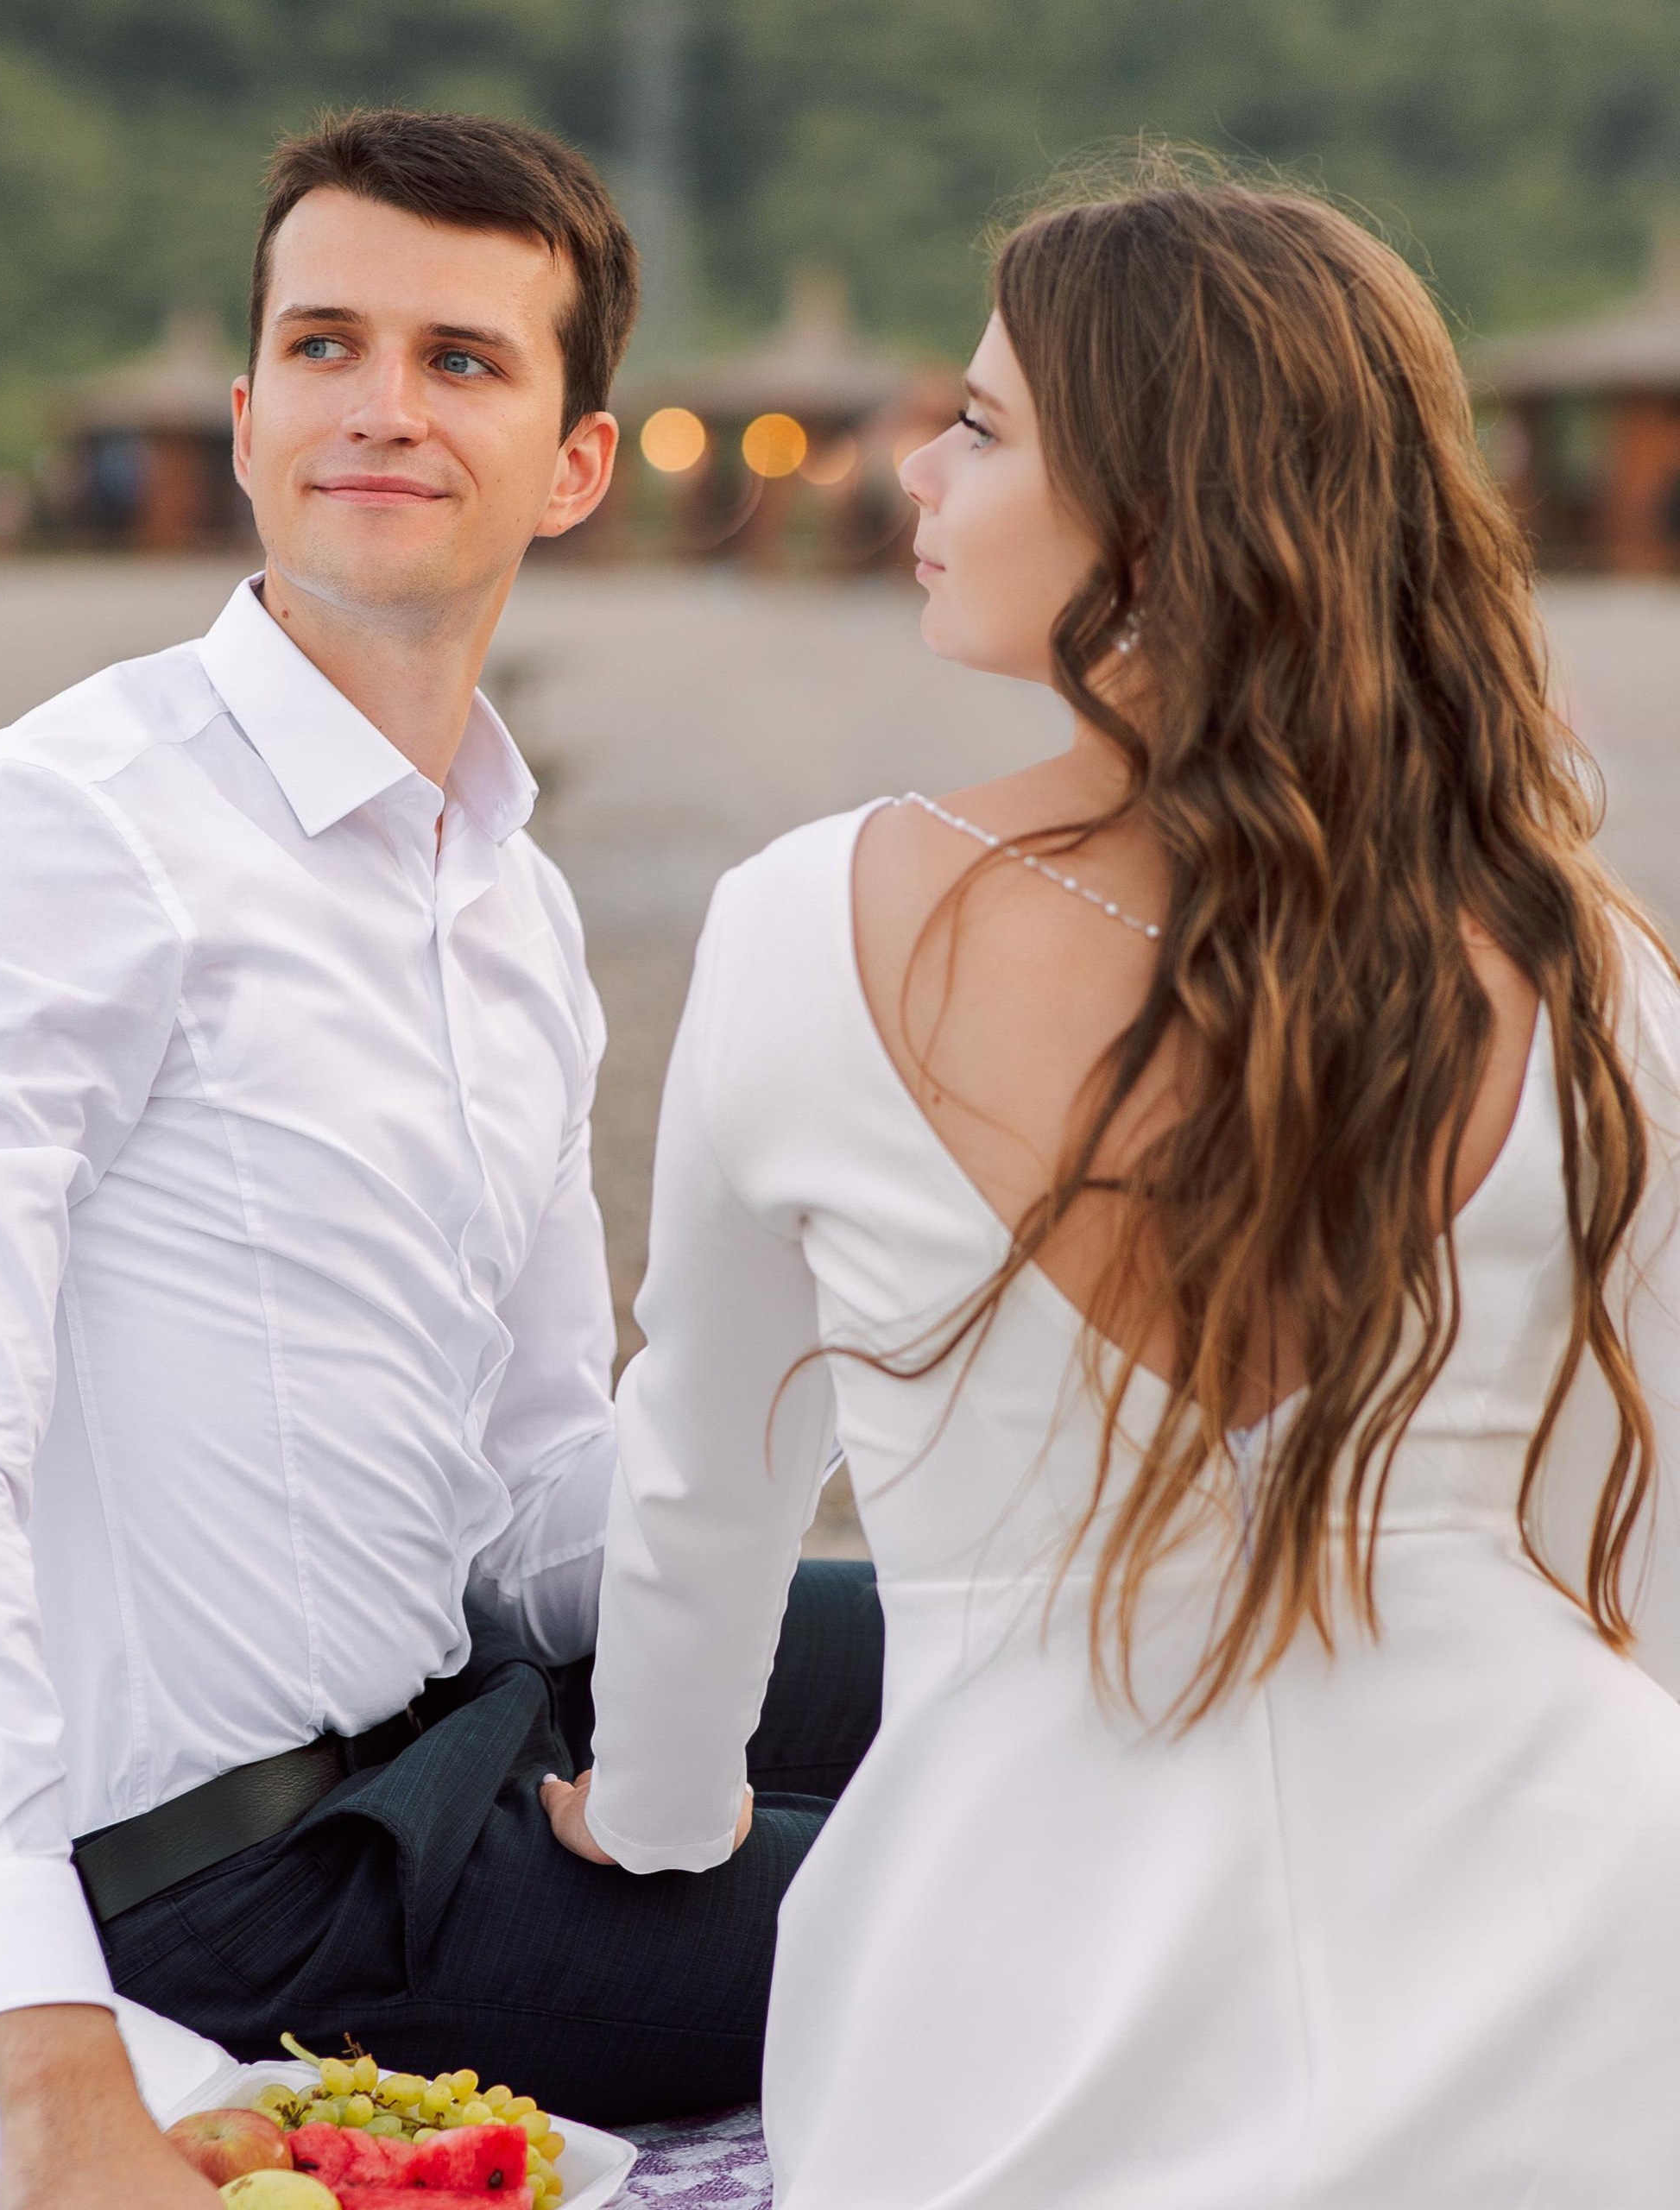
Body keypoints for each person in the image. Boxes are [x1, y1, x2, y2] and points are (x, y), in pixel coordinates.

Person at [543, 155, 1680, 2207]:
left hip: (1005, 1997)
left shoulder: (808, 923)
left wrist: (656, 1808)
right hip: (1578, 1945)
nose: (913, 468)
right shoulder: (1583, 967)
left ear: (1154, 516)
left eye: (978, 427)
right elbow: (1651, 1519)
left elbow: (703, 1474)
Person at [0, 107, 883, 2210]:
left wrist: (834, 1362)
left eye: (459, 359)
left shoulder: (505, 893)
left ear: (574, 461)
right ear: (245, 417)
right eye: (323, 347)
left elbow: (537, 1488)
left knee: (1031, 1661)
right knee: (985, 1918)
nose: (379, 406)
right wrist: (55, 2074)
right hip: (238, 1878)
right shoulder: (58, 831)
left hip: (472, 1708)